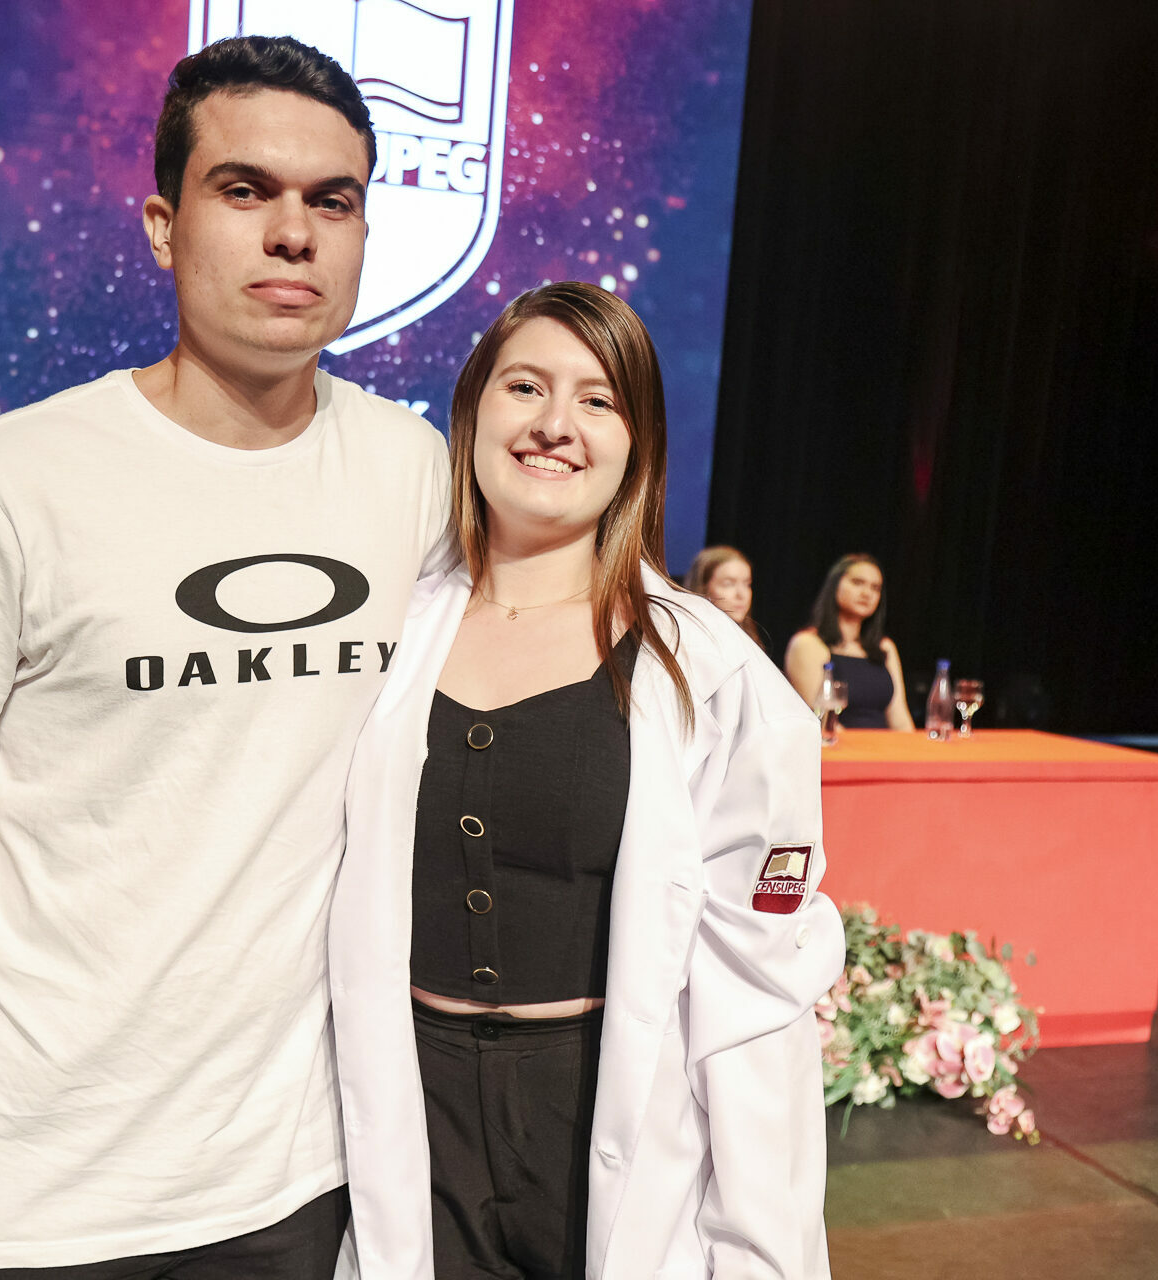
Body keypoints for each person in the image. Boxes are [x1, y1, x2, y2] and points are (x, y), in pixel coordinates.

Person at [0, 37, 451, 1280]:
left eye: (332, 201)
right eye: (245, 189)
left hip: (292, 1176)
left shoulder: (414, 472)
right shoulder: (8, 480)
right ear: (165, 227)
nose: (294, 233)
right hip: (24, 1184)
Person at [328, 283, 843, 1280]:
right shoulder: (387, 631)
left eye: (597, 400)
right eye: (525, 386)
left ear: (637, 443)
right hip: (411, 1114)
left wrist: (765, 1250)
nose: (555, 424)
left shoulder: (713, 672)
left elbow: (754, 996)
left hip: (603, 1117)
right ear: (472, 410)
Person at [784, 554, 913, 730]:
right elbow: (821, 720)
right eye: (857, 583)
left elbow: (900, 718)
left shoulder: (884, 647)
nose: (866, 593)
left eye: (875, 588)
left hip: (884, 744)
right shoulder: (808, 643)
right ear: (835, 585)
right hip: (837, 744)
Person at [684, 544, 765, 648]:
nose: (741, 595)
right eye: (728, 584)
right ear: (703, 588)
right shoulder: (691, 641)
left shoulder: (748, 641)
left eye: (747, 584)